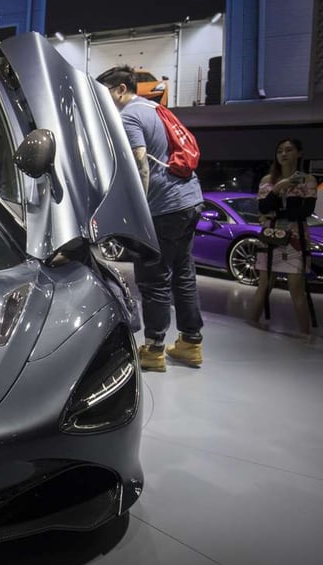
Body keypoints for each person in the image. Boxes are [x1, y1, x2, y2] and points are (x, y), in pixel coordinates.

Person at [97, 65, 205, 372]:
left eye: (104, 91)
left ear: (120, 89)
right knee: (183, 273)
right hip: (190, 200)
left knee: (153, 277)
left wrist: (137, 210)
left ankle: (154, 349)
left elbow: (140, 164)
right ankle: (190, 343)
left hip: (164, 207)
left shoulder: (129, 115)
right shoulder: (156, 109)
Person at [246, 139, 319, 336]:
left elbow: (304, 211)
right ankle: (248, 330)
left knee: (296, 289)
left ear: (299, 153)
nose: (283, 154)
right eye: (279, 151)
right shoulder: (267, 181)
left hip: (295, 240)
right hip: (270, 239)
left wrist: (276, 210)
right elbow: (263, 208)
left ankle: (305, 336)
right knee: (263, 286)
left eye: (289, 150)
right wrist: (278, 189)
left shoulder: (308, 180)